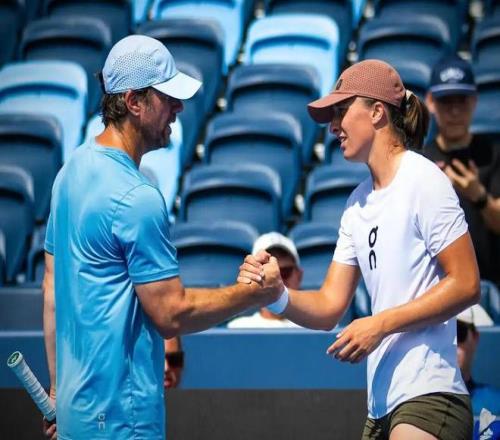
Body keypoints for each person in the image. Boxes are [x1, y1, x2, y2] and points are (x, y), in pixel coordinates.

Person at [42, 35, 283, 440]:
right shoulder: (137, 197)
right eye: (167, 97)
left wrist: (56, 393)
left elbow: (51, 290)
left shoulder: (69, 174)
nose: (179, 107)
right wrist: (254, 294)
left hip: (76, 419)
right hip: (124, 424)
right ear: (134, 102)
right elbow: (172, 313)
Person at [239, 59, 481, 440]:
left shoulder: (423, 179)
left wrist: (379, 324)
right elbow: (329, 306)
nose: (333, 126)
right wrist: (278, 294)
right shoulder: (356, 204)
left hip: (430, 396)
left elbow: (467, 284)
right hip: (381, 407)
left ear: (377, 112)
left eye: (341, 111)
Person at [423, 55, 500, 286]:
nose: (455, 111)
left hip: (491, 286)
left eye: (462, 101)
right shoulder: (421, 162)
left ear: (474, 101)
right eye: (446, 101)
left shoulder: (493, 154)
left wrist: (479, 196)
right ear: (431, 102)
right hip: (438, 287)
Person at [228, 232, 303, 328]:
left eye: (285, 272)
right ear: (252, 276)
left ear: (299, 276)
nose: (277, 281)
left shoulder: (314, 328)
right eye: (267, 273)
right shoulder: (238, 328)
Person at [456, 305, 500, 416]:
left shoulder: (496, 405)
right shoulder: (413, 403)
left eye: (459, 332)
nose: (451, 343)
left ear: (475, 337)